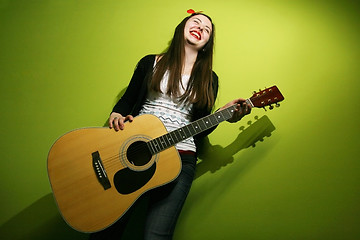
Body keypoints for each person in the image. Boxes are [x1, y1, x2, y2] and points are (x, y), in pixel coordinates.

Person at [90, 10, 251, 240]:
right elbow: (129, 98)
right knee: (107, 230)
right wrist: (116, 114)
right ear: (182, 27)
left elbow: (199, 129)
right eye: (196, 22)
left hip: (180, 159)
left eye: (207, 30)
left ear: (207, 43)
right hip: (135, 149)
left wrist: (224, 115)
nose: (201, 28)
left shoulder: (209, 79)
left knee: (156, 236)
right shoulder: (150, 62)